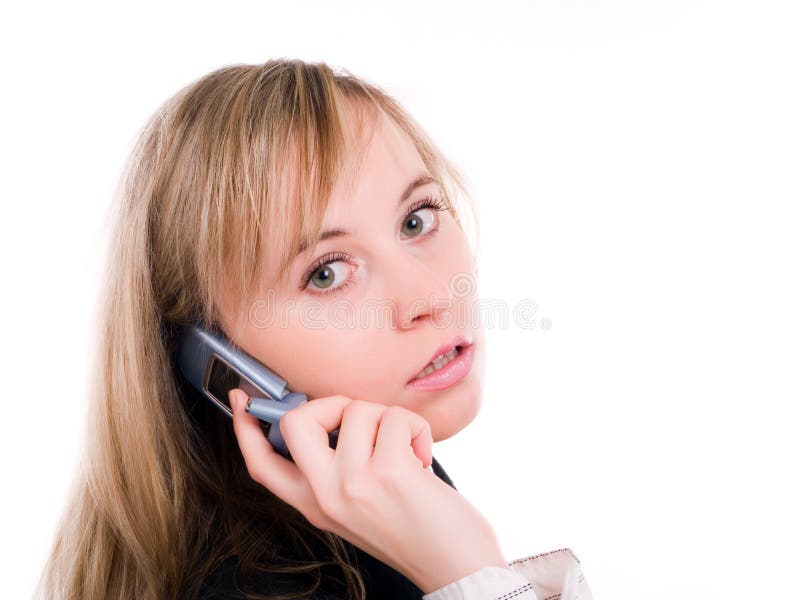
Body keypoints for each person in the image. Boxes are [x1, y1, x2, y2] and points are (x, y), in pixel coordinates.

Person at [36, 59, 593, 600]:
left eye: (416, 219)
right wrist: (471, 574)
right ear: (215, 359)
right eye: (326, 273)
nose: (429, 297)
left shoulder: (385, 490)